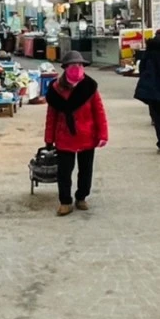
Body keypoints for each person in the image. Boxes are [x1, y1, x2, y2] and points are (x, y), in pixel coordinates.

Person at [44, 51, 108, 216]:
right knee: (64, 172)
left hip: (87, 135)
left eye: (80, 65)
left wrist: (103, 134)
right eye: (73, 65)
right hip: (64, 137)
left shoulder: (89, 87)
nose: (77, 68)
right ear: (65, 68)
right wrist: (49, 138)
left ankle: (81, 197)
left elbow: (99, 112)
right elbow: (51, 116)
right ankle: (65, 201)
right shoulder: (55, 90)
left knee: (86, 170)